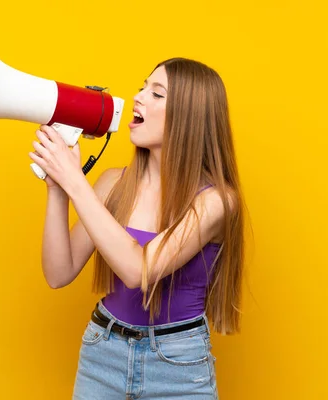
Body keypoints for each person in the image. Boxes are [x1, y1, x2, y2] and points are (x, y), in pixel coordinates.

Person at [28, 57, 245, 400]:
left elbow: (139, 270)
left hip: (177, 366)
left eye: (157, 94)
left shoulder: (216, 202)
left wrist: (75, 181)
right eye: (143, 86)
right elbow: (58, 273)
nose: (139, 97)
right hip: (103, 354)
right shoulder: (114, 183)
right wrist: (58, 189)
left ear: (189, 116)